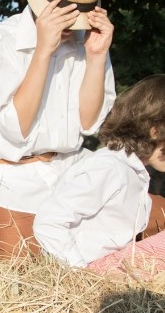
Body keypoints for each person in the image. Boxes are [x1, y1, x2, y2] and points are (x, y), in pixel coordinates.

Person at [0, 0, 116, 260]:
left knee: (109, 256)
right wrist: (43, 52)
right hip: (13, 177)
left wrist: (95, 57)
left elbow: (90, 124)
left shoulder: (86, 43)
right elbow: (14, 128)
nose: (72, 28)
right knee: (23, 276)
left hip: (71, 169)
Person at [34, 74, 165, 270]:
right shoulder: (109, 167)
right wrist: (80, 274)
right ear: (154, 131)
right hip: (90, 270)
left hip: (109, 266)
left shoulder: (134, 172)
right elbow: (49, 222)